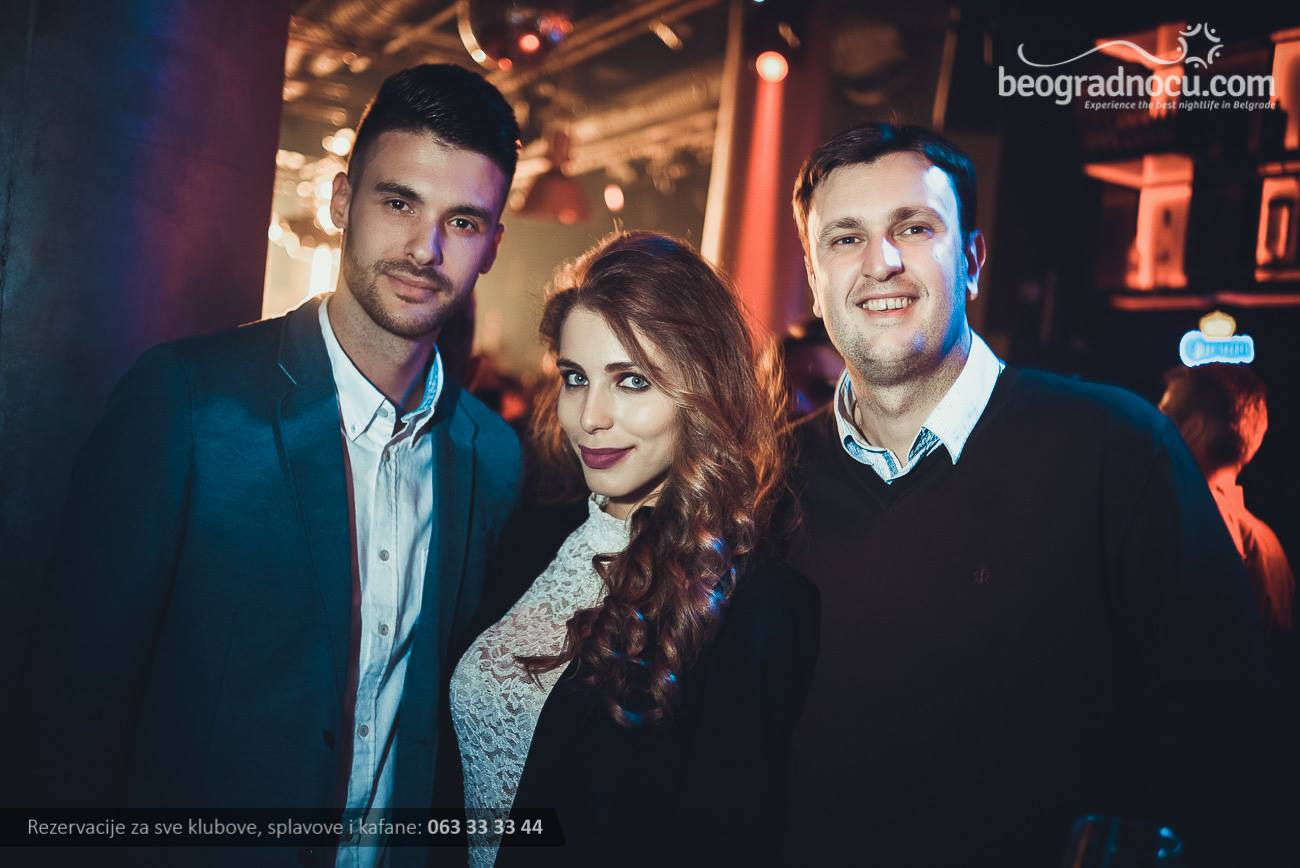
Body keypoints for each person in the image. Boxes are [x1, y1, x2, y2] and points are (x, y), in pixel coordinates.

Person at [27, 64, 522, 868]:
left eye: (462, 222)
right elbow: (70, 707)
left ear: (493, 245)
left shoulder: (491, 457)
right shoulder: (189, 404)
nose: (425, 249)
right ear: (341, 202)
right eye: (398, 202)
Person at [783, 123, 1272, 866]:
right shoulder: (768, 481)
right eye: (845, 238)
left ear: (973, 262)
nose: (881, 262)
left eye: (913, 228)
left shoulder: (1118, 448)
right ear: (815, 279)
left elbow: (1235, 741)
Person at [446, 231, 819, 867]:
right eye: (575, 378)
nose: (590, 416)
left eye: (632, 381)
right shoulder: (530, 534)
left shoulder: (758, 605)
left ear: (704, 390)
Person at [1159, 363, 1294, 632]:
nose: (1154, 429)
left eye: (1164, 417)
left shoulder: (1176, 521)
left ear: (1193, 429)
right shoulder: (1272, 550)